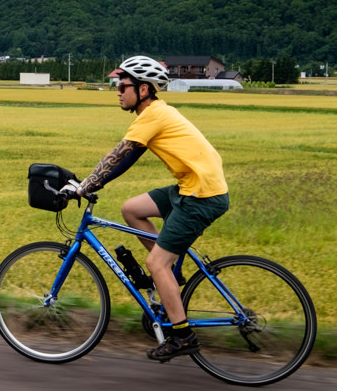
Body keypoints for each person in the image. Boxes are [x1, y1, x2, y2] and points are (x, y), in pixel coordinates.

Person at [61, 55, 229, 361]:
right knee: (132, 209)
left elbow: (119, 155)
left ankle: (182, 335)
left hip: (201, 195)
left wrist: (84, 187)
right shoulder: (154, 113)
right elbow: (124, 159)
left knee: (156, 264)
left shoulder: (153, 115)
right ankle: (168, 283)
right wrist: (89, 183)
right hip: (191, 186)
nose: (118, 90)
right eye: (117, 84)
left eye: (123, 85)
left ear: (143, 89)